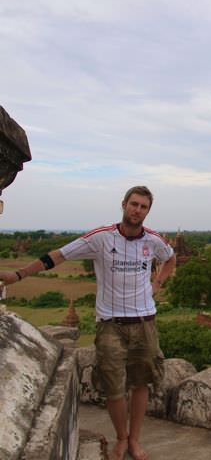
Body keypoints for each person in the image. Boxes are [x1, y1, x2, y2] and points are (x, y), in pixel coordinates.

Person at [0, 186, 176, 460]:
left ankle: (136, 440)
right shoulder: (102, 238)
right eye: (133, 204)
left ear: (148, 211)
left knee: (141, 383)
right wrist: (19, 275)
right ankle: (122, 438)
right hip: (111, 324)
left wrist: (157, 284)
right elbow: (58, 255)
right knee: (113, 386)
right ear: (124, 204)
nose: (137, 210)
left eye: (143, 206)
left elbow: (171, 258)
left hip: (144, 322)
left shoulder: (152, 241)